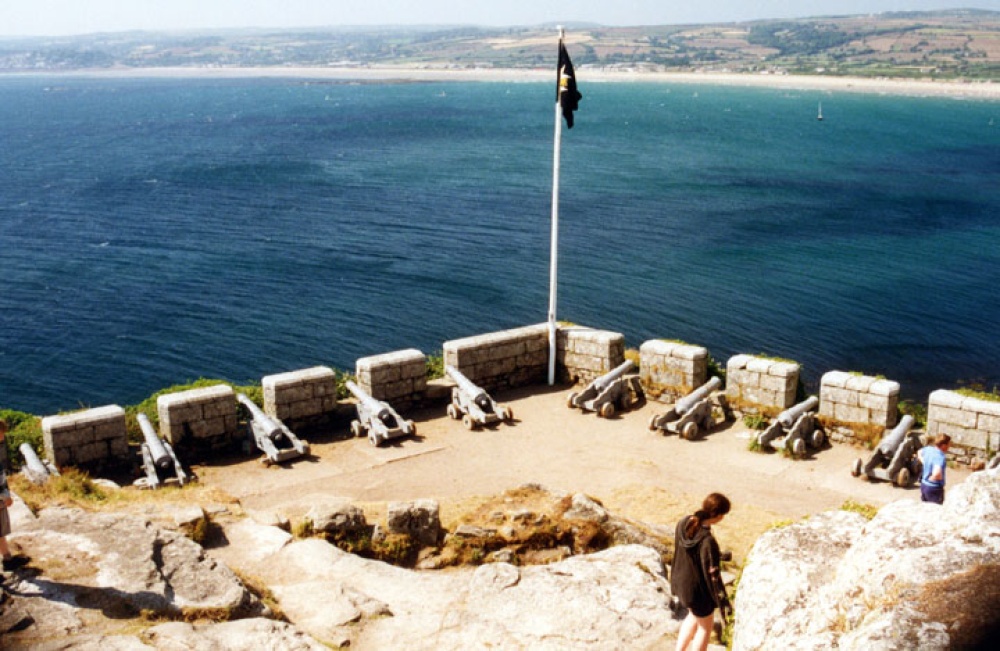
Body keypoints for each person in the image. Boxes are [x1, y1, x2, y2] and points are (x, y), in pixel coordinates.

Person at [671, 492, 732, 651]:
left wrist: (718, 555)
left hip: (681, 585)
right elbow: (712, 576)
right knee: (705, 627)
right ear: (718, 516)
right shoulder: (707, 540)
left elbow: (693, 553)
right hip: (697, 593)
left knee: (692, 616)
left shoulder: (683, 523)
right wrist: (723, 600)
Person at [918, 433, 951, 504]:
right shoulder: (940, 457)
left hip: (924, 485)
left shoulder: (928, 449)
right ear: (943, 445)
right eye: (948, 444)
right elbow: (937, 474)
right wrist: (934, 478)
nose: (949, 446)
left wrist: (924, 462)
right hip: (934, 489)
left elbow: (919, 452)